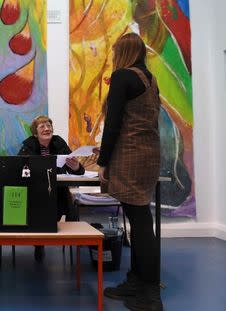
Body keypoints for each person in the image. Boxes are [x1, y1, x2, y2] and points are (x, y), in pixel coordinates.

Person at [97, 33, 162, 311]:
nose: (113, 56)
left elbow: (112, 125)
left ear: (122, 52)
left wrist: (102, 162)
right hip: (149, 154)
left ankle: (148, 293)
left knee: (140, 222)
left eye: (115, 52)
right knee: (140, 219)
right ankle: (137, 281)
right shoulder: (150, 79)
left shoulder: (123, 77)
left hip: (130, 156)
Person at [18, 115, 85, 261]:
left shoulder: (59, 143)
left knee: (71, 205)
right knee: (43, 206)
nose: (47, 128)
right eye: (42, 126)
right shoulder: (28, 146)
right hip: (36, 191)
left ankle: (73, 239)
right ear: (35, 133)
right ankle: (39, 243)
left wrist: (76, 166)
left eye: (49, 125)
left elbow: (78, 171)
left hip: (57, 189)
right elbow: (19, 169)